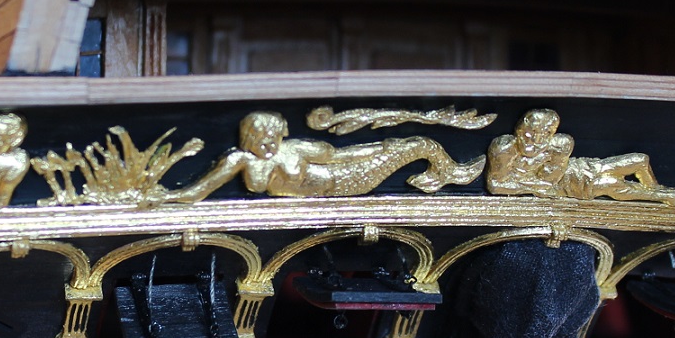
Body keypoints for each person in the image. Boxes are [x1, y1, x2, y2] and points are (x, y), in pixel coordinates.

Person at [167, 110, 488, 202]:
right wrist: (167, 196)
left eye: (274, 138)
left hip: (349, 179)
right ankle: (446, 173)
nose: (269, 145)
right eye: (262, 139)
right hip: (334, 187)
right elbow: (201, 189)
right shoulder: (239, 160)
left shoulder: (294, 148)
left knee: (416, 144)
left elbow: (338, 155)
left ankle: (452, 174)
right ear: (248, 137)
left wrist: (379, 148)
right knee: (416, 145)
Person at [485, 108, 675, 204]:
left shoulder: (561, 143)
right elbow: (495, 185)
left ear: (552, 134)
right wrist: (534, 186)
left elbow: (550, 177)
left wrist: (538, 183)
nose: (536, 140)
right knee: (613, 185)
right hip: (570, 188)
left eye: (545, 134)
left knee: (640, 160)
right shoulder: (505, 147)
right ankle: (664, 196)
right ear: (519, 130)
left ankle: (656, 189)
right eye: (530, 133)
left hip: (582, 168)